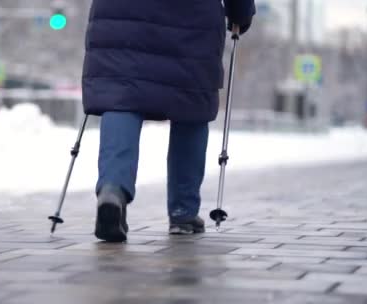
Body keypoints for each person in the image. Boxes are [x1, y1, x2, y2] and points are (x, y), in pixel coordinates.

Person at [82, 0, 256, 242]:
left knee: (122, 98)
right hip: (192, 19)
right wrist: (240, 12)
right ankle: (183, 212)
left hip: (120, 13)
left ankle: (113, 189)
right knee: (190, 104)